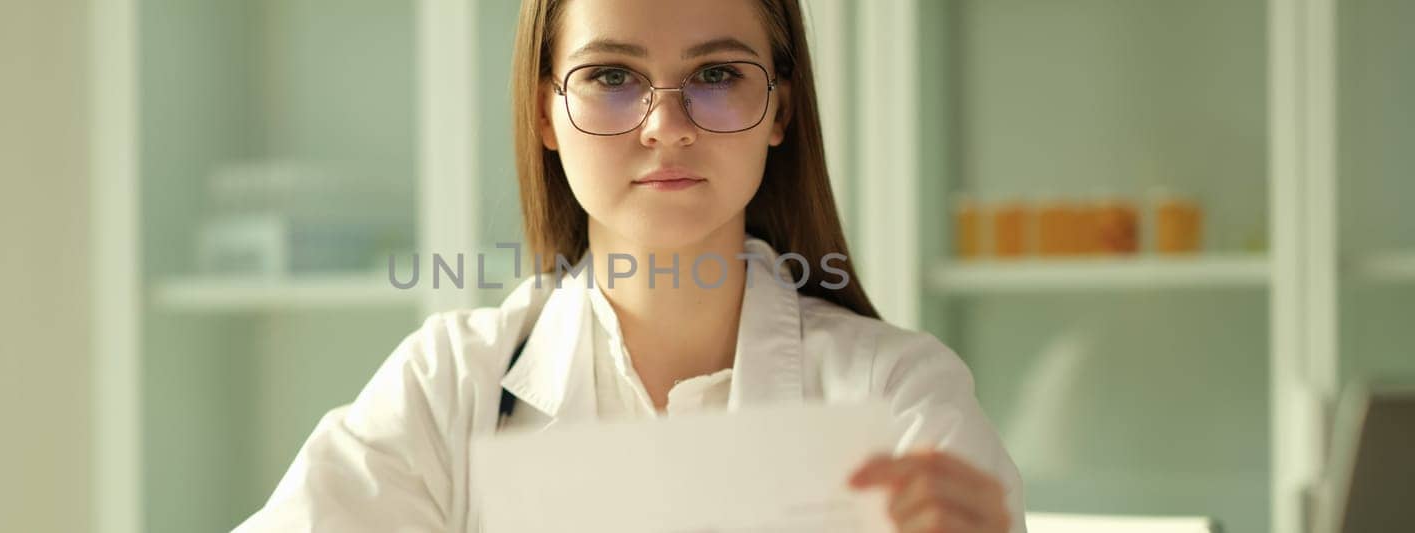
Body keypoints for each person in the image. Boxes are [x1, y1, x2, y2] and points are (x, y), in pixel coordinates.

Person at [235, 0, 1024, 531]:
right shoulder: (450, 385)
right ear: (546, 109)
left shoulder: (899, 398)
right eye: (612, 77)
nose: (667, 125)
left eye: (717, 75)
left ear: (781, 107)